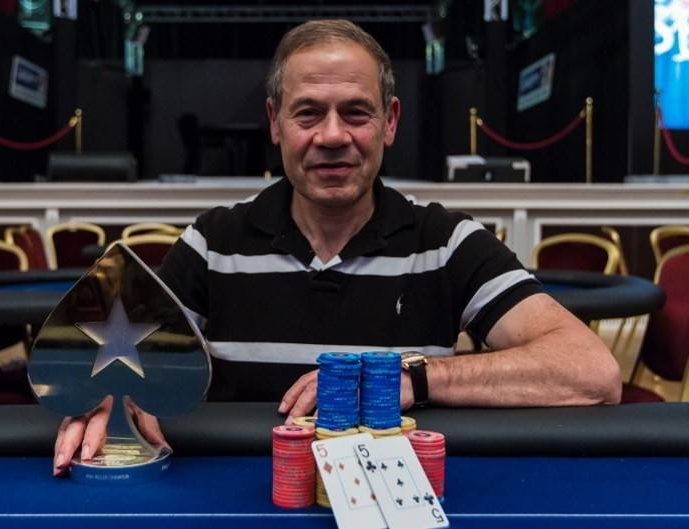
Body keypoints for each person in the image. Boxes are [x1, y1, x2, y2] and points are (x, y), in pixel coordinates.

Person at [53, 19, 621, 476]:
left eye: (356, 112)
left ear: (389, 122)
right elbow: (104, 360)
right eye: (307, 113)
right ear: (275, 123)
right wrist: (104, 392)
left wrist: (407, 377)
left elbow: (592, 372)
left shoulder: (447, 242)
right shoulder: (213, 241)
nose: (331, 136)